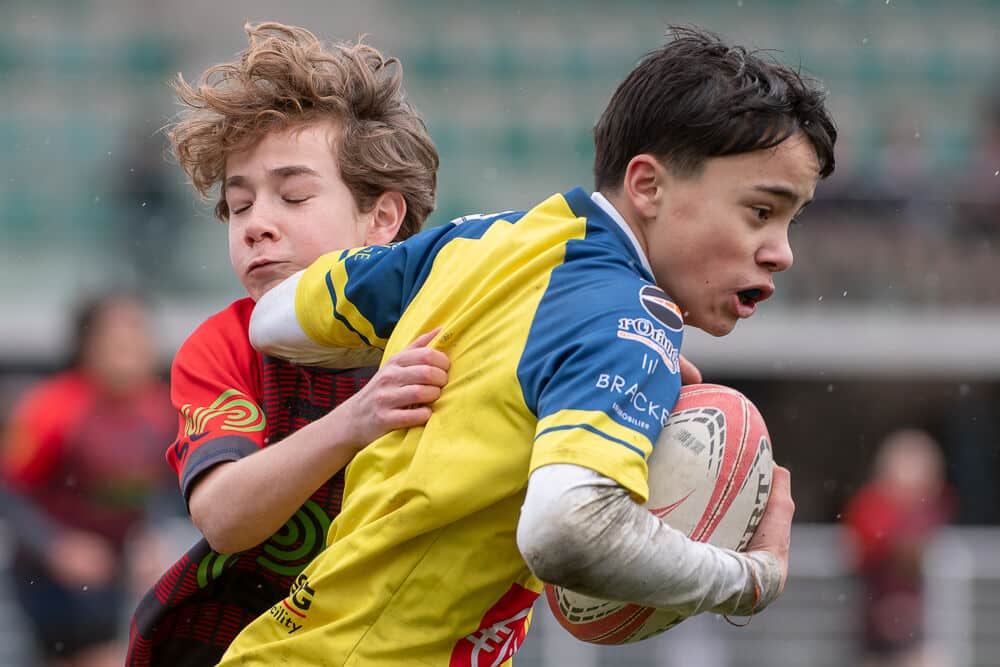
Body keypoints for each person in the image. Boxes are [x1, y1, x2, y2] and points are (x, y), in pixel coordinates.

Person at [223, 25, 837, 666]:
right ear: (648, 186)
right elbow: (567, 529)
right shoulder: (631, 321)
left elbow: (275, 318)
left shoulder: (481, 241)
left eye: (792, 221)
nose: (782, 253)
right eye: (761, 212)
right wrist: (747, 579)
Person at [124, 23, 448, 666]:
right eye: (239, 206)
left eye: (294, 195)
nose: (256, 226)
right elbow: (223, 515)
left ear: (382, 217)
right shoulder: (222, 346)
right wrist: (358, 420)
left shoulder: (456, 323)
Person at [0, 293, 178, 667]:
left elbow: (162, 489)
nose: (131, 352)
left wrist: (152, 533)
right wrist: (56, 546)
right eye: (118, 343)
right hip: (48, 579)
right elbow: (11, 492)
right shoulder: (52, 408)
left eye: (139, 339)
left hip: (118, 572)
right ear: (88, 347)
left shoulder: (161, 409)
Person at [842, 429, 954, 667]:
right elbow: (864, 551)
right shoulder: (870, 508)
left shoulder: (933, 509)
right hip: (873, 637)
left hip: (918, 637)